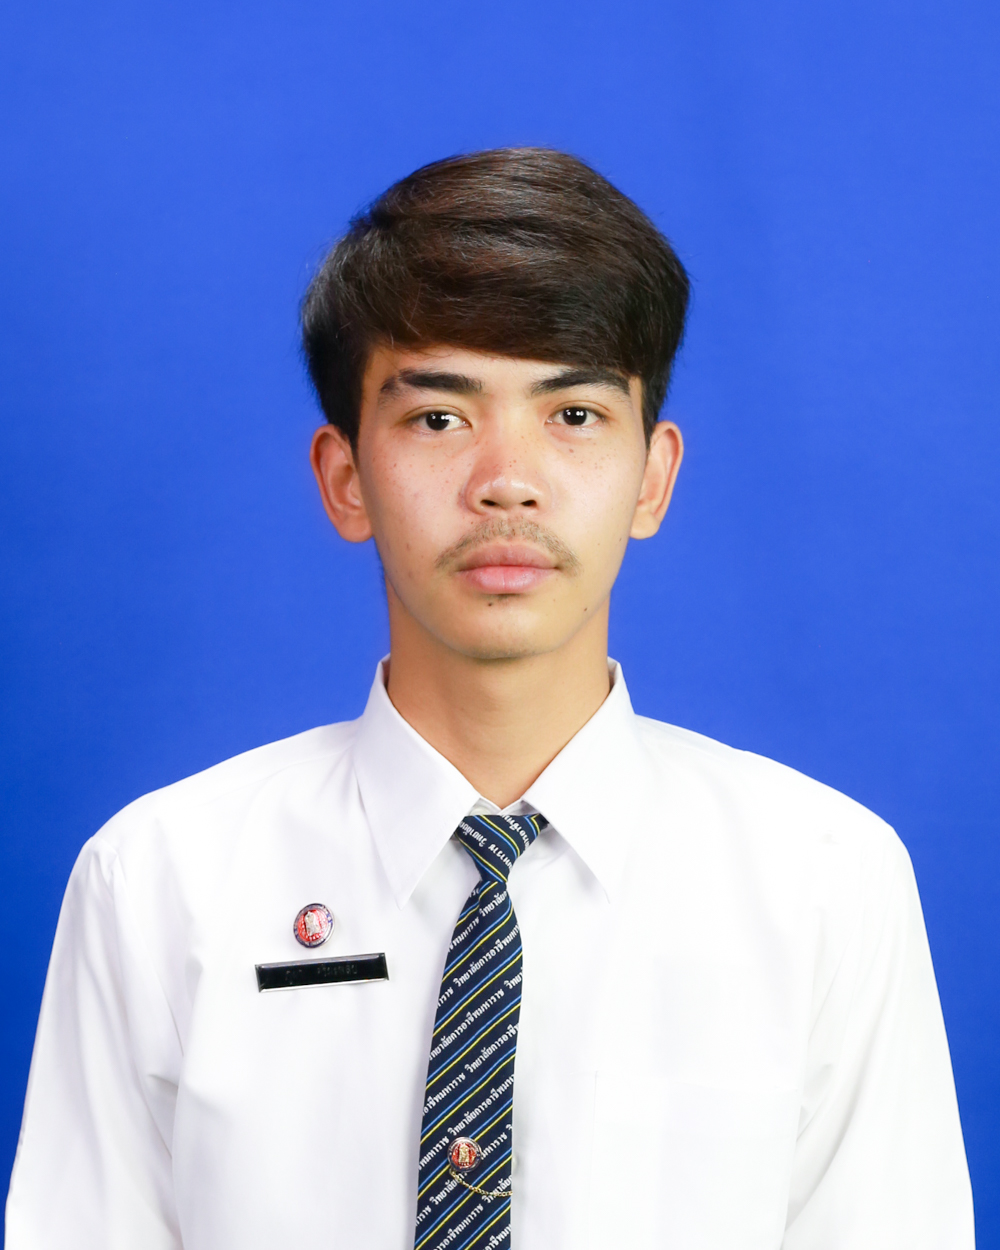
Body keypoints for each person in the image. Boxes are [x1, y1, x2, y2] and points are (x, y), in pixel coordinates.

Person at [5, 148, 973, 1250]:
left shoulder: (826, 882)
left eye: (574, 415)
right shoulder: (159, 881)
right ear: (344, 479)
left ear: (653, 476)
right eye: (438, 418)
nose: (506, 480)